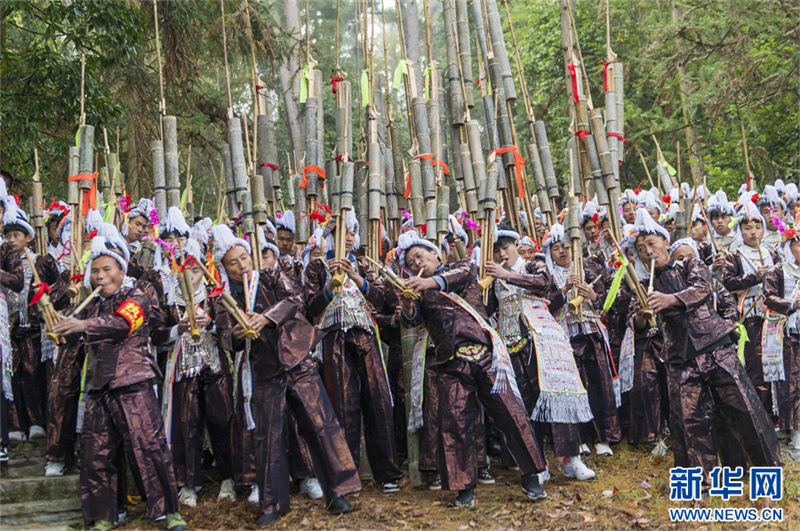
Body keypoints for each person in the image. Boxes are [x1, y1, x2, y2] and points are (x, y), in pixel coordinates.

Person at [211, 224, 358, 526]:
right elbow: (224, 336)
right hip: (263, 371)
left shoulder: (271, 276)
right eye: (232, 262)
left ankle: (337, 491)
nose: (241, 265)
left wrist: (265, 317)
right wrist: (237, 335)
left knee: (321, 425)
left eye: (243, 258)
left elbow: (296, 301)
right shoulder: (223, 299)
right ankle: (272, 503)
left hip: (297, 359)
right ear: (223, 268)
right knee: (268, 438)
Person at [630, 208, 782, 485]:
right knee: (689, 422)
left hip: (716, 348)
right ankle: (701, 482)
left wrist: (670, 299)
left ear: (665, 242)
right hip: (680, 357)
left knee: (744, 409)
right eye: (641, 249)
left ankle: (766, 469)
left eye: (651, 244)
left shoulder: (690, 264)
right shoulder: (642, 285)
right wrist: (642, 315)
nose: (647, 251)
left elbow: (701, 289)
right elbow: (635, 322)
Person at [51, 224, 187, 531]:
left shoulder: (136, 296)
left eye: (107, 269)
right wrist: (60, 326)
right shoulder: (91, 306)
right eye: (95, 270)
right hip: (99, 387)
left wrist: (81, 326)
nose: (100, 276)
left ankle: (169, 511)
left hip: (133, 382)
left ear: (121, 269)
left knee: (149, 447)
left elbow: (122, 324)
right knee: (96, 453)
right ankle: (104, 516)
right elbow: (75, 340)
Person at [398, 231, 547, 507]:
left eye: (420, 255)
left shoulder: (462, 267)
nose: (416, 261)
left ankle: (531, 476)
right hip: (449, 362)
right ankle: (463, 487)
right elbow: (410, 321)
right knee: (455, 423)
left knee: (509, 412)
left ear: (436, 254)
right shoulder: (416, 293)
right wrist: (407, 305)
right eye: (410, 261)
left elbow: (455, 278)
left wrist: (427, 283)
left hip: (485, 353)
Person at [486, 223, 595, 482]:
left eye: (506, 248)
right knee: (527, 405)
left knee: (559, 396)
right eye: (497, 251)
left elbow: (543, 284)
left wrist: (506, 274)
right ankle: (540, 465)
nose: (503, 254)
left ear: (515, 246)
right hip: (513, 346)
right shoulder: (492, 281)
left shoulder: (533, 266)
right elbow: (486, 309)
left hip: (544, 340)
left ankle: (573, 460)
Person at [157, 238, 236, 506]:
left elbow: (228, 332)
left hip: (214, 369)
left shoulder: (216, 297)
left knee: (222, 420)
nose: (190, 276)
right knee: (187, 425)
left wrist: (211, 325)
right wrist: (174, 330)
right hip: (182, 372)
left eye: (196, 270)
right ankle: (189, 483)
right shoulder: (168, 300)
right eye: (185, 270)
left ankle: (229, 478)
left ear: (204, 271)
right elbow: (153, 332)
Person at [543, 222, 621, 456]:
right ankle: (579, 439)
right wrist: (564, 290)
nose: (562, 251)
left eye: (566, 246)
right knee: (575, 389)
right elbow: (545, 304)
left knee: (599, 386)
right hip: (563, 339)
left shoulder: (589, 267)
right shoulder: (546, 275)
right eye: (556, 248)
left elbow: (612, 299)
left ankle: (602, 437)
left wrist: (594, 296)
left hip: (591, 334)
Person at [3, 203, 60, 443]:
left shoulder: (43, 262)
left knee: (33, 373)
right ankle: (16, 425)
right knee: (13, 375)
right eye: (7, 235)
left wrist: (46, 293)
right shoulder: (4, 263)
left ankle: (37, 422)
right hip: (10, 328)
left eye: (17, 235)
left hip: (35, 328)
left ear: (29, 237)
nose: (12, 240)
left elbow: (59, 289)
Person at [722, 191, 778, 411]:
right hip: (750, 315)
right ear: (740, 230)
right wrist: (755, 277)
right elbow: (728, 282)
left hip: (773, 317)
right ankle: (761, 413)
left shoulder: (772, 252)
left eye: (757, 226)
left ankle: (779, 415)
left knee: (775, 363)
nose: (753, 232)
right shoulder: (735, 254)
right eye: (747, 227)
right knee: (756, 366)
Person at [762, 222, 800, 449]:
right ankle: (793, 428)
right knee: (791, 382)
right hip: (787, 334)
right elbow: (768, 297)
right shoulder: (778, 271)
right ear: (788, 245)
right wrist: (792, 305)